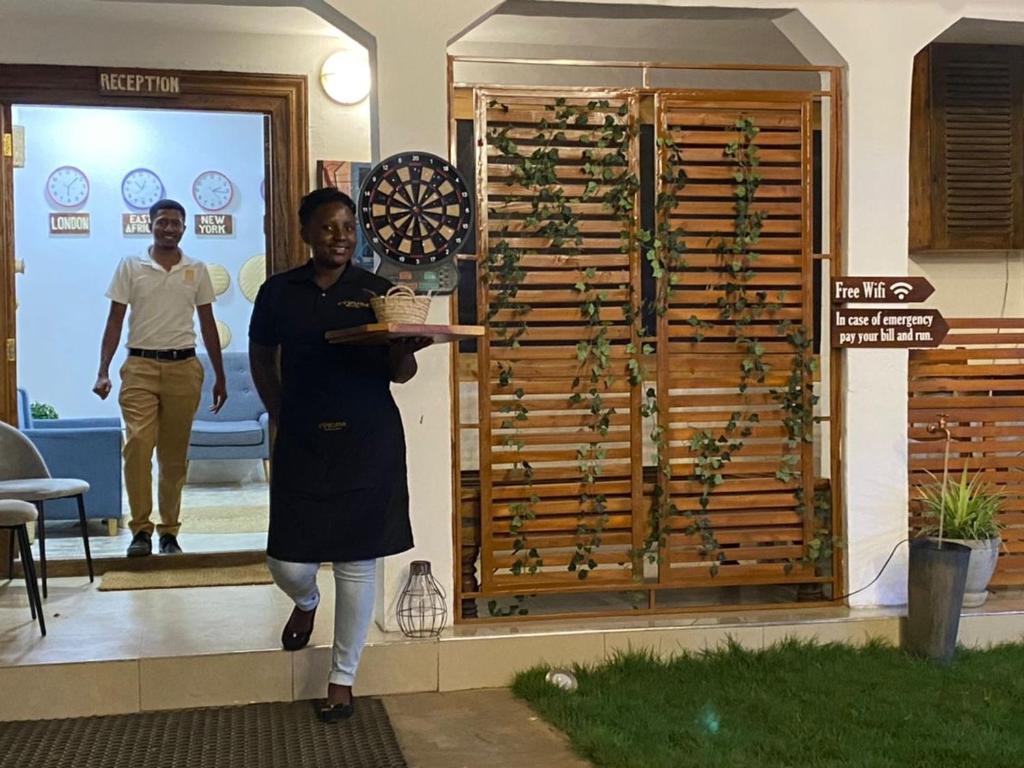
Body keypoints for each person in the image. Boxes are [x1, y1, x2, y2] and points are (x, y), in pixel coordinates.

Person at [249, 187, 429, 722]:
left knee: (357, 561)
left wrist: (401, 352)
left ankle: (342, 679)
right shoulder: (278, 292)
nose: (341, 236)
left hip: (367, 438)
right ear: (305, 231)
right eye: (328, 227)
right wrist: (279, 412)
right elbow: (261, 357)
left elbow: (402, 374)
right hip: (303, 437)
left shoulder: (377, 291)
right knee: (287, 559)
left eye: (349, 227)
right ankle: (305, 602)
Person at [94, 199, 227, 557]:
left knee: (173, 455)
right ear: (149, 224)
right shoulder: (130, 266)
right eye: (162, 222)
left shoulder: (196, 269)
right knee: (138, 445)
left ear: (185, 228)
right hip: (139, 366)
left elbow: (208, 324)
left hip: (184, 368)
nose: (169, 228)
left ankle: (169, 532)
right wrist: (103, 370)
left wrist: (220, 375)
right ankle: (140, 531)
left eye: (176, 223)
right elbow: (114, 320)